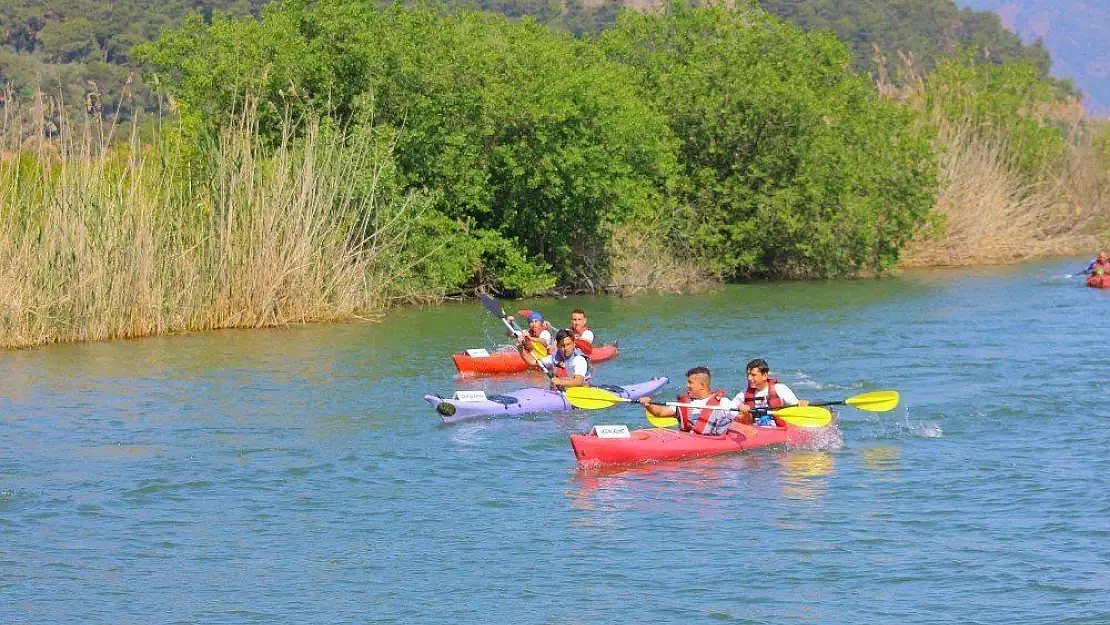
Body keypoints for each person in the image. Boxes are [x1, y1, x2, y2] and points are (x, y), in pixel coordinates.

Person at [639, 366, 738, 436]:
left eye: (690, 382)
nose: (687, 385)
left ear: (702, 385)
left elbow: (741, 418)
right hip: (687, 441)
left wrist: (745, 412)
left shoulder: (723, 403)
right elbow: (660, 412)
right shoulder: (685, 403)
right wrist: (648, 405)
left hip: (712, 444)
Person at [735, 358, 808, 427]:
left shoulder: (780, 389)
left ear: (765, 376)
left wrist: (801, 404)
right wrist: (740, 408)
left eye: (753, 375)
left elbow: (796, 406)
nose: (749, 378)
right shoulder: (743, 394)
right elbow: (729, 409)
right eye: (748, 375)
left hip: (778, 429)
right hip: (754, 431)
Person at [517, 328, 591, 389]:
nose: (565, 348)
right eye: (562, 345)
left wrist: (559, 382)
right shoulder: (554, 358)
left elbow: (579, 381)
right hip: (560, 392)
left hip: (580, 392)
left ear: (574, 344)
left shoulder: (579, 359)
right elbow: (532, 362)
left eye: (568, 344)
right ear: (558, 346)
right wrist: (520, 348)